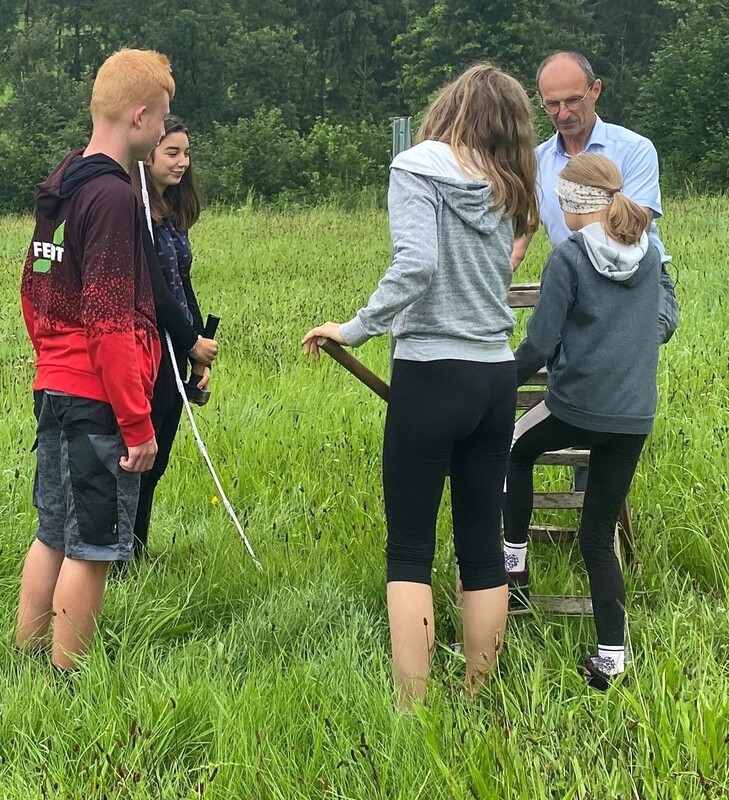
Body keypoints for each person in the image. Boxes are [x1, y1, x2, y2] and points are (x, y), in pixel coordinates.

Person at [303, 64, 539, 709]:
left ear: (449, 108)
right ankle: (477, 694)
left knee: (410, 547)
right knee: (482, 545)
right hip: (495, 375)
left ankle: (412, 708)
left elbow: (417, 263)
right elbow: (501, 257)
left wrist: (354, 329)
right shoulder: (506, 180)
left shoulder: (417, 165)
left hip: (433, 373)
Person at [17, 49, 174, 670]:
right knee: (94, 546)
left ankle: (26, 656)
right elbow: (110, 321)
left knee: (52, 531)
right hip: (98, 400)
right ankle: (67, 677)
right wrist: (137, 425)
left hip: (54, 388)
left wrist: (53, 357)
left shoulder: (64, 181)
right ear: (138, 116)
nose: (165, 130)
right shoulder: (111, 197)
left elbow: (33, 286)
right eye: (162, 118)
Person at [504, 153, 677, 690]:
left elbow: (541, 341)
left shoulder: (570, 257)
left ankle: (514, 569)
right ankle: (611, 660)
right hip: (632, 417)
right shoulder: (648, 256)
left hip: (575, 407)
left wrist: (497, 381)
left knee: (515, 449)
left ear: (576, 205)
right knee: (597, 536)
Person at [130, 115, 217, 558]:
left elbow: (182, 285)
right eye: (172, 152)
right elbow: (155, 290)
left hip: (177, 347)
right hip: (148, 347)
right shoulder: (136, 213)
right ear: (148, 155)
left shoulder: (172, 216)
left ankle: (138, 548)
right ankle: (121, 556)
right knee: (141, 455)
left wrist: (200, 346)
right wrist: (189, 342)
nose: (183, 162)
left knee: (159, 457)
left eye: (186, 153)